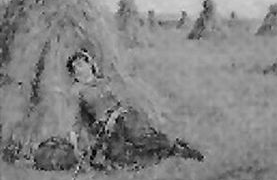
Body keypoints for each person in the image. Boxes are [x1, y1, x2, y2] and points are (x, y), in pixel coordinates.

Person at [66, 49, 204, 169]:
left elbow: (121, 102)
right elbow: (76, 118)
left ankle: (172, 146)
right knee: (127, 157)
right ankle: (171, 148)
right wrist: (75, 140)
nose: (78, 70)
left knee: (138, 134)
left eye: (80, 65)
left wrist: (116, 114)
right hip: (105, 128)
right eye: (74, 68)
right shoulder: (77, 90)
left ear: (90, 65)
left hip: (121, 117)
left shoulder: (105, 82)